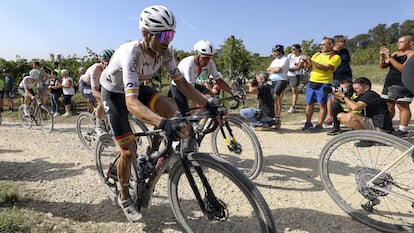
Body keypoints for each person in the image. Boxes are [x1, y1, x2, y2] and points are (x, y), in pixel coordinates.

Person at [99, 5, 218, 222]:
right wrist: (163, 124)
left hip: (135, 87)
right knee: (127, 151)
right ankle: (125, 194)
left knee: (170, 110)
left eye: (171, 34)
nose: (168, 40)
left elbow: (182, 84)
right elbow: (131, 101)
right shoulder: (131, 53)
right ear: (146, 34)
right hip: (114, 93)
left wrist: (209, 105)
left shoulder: (166, 52)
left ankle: (153, 153)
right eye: (163, 35)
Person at [171, 40, 235, 117]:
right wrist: (204, 99)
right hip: (179, 87)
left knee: (212, 97)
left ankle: (205, 123)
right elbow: (190, 89)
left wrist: (232, 91)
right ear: (197, 55)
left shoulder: (210, 63)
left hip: (192, 85)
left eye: (210, 57)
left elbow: (218, 80)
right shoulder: (189, 64)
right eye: (205, 58)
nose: (208, 61)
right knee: (187, 117)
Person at [302, 37, 341, 133]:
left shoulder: (335, 57)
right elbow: (309, 66)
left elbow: (326, 68)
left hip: (324, 82)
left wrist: (311, 61)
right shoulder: (317, 54)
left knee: (322, 104)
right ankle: (308, 122)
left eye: (324, 44)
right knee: (309, 103)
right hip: (312, 81)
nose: (321, 46)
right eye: (321, 44)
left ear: (331, 45)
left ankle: (319, 124)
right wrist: (306, 62)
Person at [379, 35, 414, 138]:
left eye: (401, 42)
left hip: (403, 82)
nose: (398, 44)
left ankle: (402, 130)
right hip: (390, 82)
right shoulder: (395, 54)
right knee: (388, 106)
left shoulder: (411, 54)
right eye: (397, 42)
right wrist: (382, 56)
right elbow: (383, 66)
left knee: (402, 106)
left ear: (410, 43)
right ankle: (387, 127)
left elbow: (404, 69)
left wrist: (389, 57)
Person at [81, 49, 114, 134]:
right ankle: (98, 126)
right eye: (108, 63)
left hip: (99, 85)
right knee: (102, 101)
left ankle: (103, 118)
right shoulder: (96, 69)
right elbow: (95, 91)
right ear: (102, 62)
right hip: (86, 86)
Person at [325, 35, 353, 126]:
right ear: (336, 42)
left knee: (347, 95)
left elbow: (348, 62)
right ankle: (330, 117)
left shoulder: (345, 51)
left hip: (347, 76)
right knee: (332, 97)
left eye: (344, 41)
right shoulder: (331, 53)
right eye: (342, 41)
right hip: (335, 77)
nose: (344, 43)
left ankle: (346, 116)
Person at [266, 44, 289, 129]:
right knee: (272, 98)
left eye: (276, 51)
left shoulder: (285, 59)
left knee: (276, 97)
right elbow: (268, 70)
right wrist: (273, 70)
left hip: (281, 80)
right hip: (272, 80)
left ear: (280, 52)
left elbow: (279, 69)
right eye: (274, 51)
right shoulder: (274, 60)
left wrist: (273, 70)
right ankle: (273, 117)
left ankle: (277, 118)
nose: (274, 53)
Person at [286, 44, 305, 114]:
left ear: (298, 49)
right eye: (291, 49)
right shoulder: (289, 55)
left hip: (295, 75)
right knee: (281, 89)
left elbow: (298, 68)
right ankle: (278, 104)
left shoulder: (302, 57)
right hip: (287, 74)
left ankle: (293, 106)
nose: (292, 50)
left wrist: (288, 68)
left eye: (293, 49)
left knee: (294, 90)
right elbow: (286, 64)